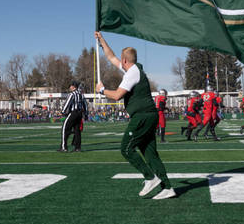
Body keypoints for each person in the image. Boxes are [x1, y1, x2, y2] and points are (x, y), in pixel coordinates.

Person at [95, 31, 174, 200]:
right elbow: (111, 57)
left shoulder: (131, 74)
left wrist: (101, 90)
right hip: (149, 116)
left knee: (126, 148)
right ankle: (167, 187)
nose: (118, 62)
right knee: (150, 153)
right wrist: (102, 41)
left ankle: (150, 177)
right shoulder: (133, 69)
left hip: (142, 116)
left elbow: (117, 95)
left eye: (121, 60)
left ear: (125, 61)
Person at [60, 80, 86, 152]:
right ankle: (78, 147)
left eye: (71, 85)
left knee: (65, 128)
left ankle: (64, 147)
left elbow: (67, 103)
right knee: (77, 130)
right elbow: (85, 104)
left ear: (73, 86)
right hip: (79, 114)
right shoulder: (81, 94)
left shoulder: (72, 94)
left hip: (73, 113)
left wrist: (63, 111)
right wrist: (85, 114)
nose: (70, 87)